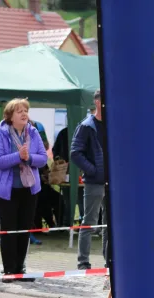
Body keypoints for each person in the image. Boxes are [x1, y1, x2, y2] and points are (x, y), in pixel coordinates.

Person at [0, 99, 48, 282]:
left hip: (29, 189)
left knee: (24, 229)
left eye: (25, 110)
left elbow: (43, 158)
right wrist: (18, 156)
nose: (24, 114)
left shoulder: (33, 131)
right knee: (9, 230)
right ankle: (8, 270)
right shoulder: (2, 133)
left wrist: (28, 157)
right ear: (9, 116)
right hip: (6, 191)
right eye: (19, 111)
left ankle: (20, 268)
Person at [71, 89, 107, 270]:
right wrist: (93, 170)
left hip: (112, 183)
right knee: (89, 222)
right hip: (94, 182)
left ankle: (109, 261)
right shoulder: (87, 125)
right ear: (98, 102)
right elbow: (75, 153)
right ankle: (83, 262)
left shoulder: (113, 123)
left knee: (110, 223)